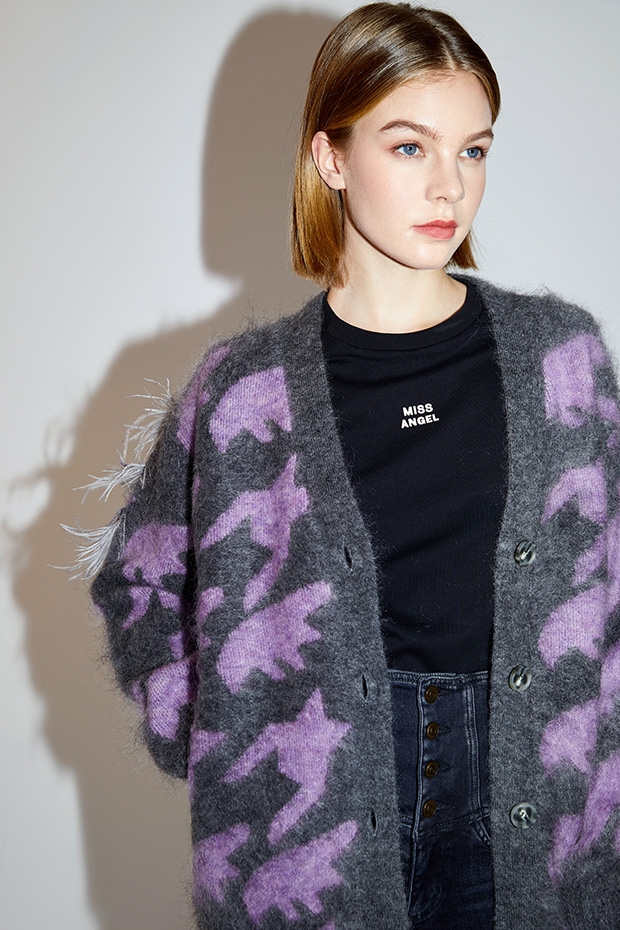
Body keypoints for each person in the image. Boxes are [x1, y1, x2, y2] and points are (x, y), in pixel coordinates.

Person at [69, 3, 620, 928]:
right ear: (330, 157)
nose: (449, 185)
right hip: (313, 822)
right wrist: (226, 741)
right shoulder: (243, 391)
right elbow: (138, 584)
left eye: (473, 151)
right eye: (409, 147)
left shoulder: (562, 360)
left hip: (537, 807)